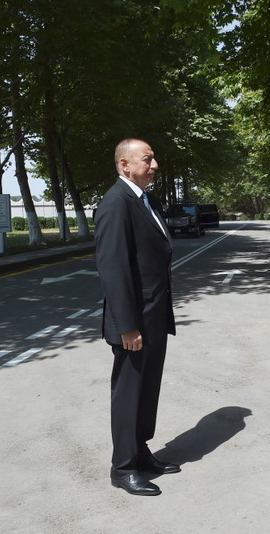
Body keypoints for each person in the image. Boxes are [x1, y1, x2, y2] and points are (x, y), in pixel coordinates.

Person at [94, 139, 180, 496]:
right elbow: (113, 269)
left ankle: (141, 451)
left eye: (153, 157)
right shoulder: (116, 203)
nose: (155, 164)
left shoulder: (147, 200)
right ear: (124, 164)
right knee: (129, 392)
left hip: (154, 314)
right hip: (134, 321)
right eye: (148, 159)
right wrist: (126, 325)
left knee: (148, 389)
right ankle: (123, 467)